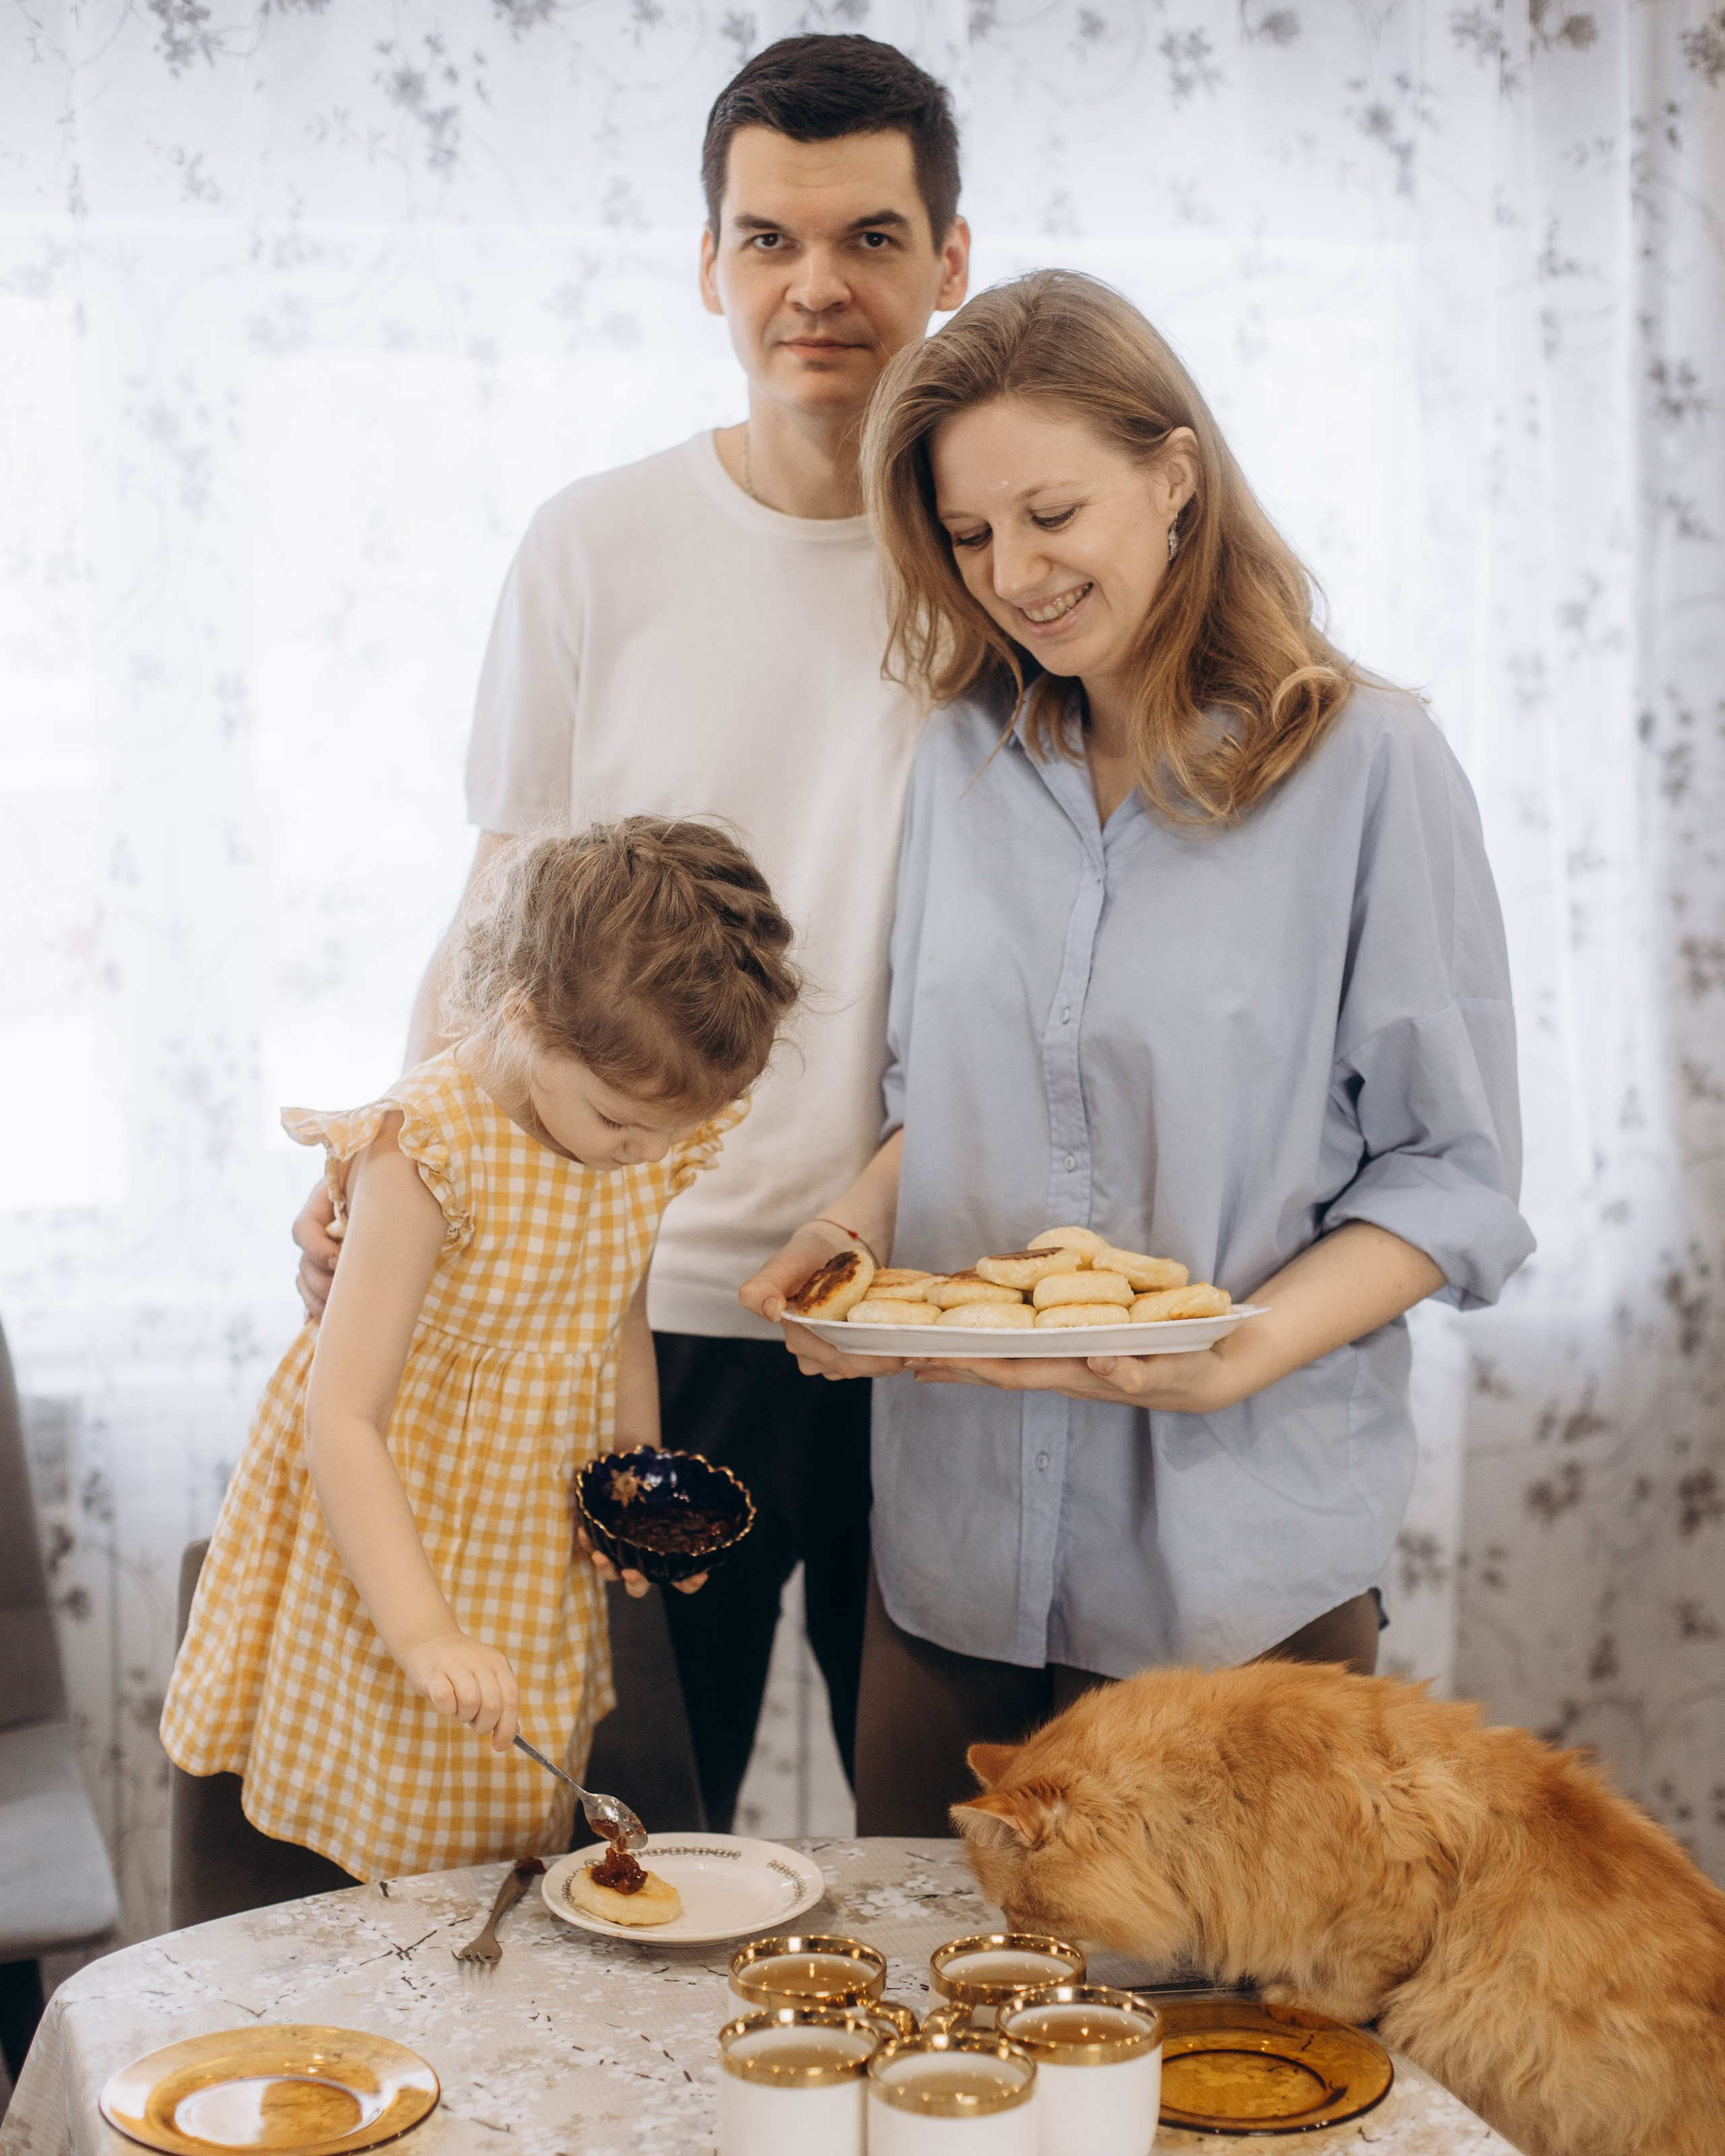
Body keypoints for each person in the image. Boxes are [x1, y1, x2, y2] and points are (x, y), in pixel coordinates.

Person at [743, 272, 1536, 1835]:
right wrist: (845, 1234)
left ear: (1173, 477)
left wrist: (1232, 1349)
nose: (1012, 575)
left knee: (1227, 2063)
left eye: (1051, 514)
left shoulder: (1367, 766)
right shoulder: (963, 760)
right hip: (952, 1570)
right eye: (970, 538)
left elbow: (1449, 1176)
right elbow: (948, 1104)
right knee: (937, 2034)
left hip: (1234, 1583)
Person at [289, 34, 970, 1835]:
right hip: (633, 1313)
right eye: (768, 239)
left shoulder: (1000, 564)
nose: (817, 285)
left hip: (921, 1311)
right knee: (627, 1836)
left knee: (945, 1848)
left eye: (871, 237)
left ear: (949, 264)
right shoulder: (596, 545)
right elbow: (501, 904)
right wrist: (390, 1144)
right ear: (710, 265)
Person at [164, 821, 800, 1882]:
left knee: (493, 1809)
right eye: (617, 1123)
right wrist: (423, 1634)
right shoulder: (430, 1150)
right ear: (525, 1013)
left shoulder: (634, 1133)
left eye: (668, 1133)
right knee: (384, 1797)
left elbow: (618, 1313)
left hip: (519, 1532)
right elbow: (343, 1415)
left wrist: (633, 1481)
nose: (643, 1156)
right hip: (387, 1532)